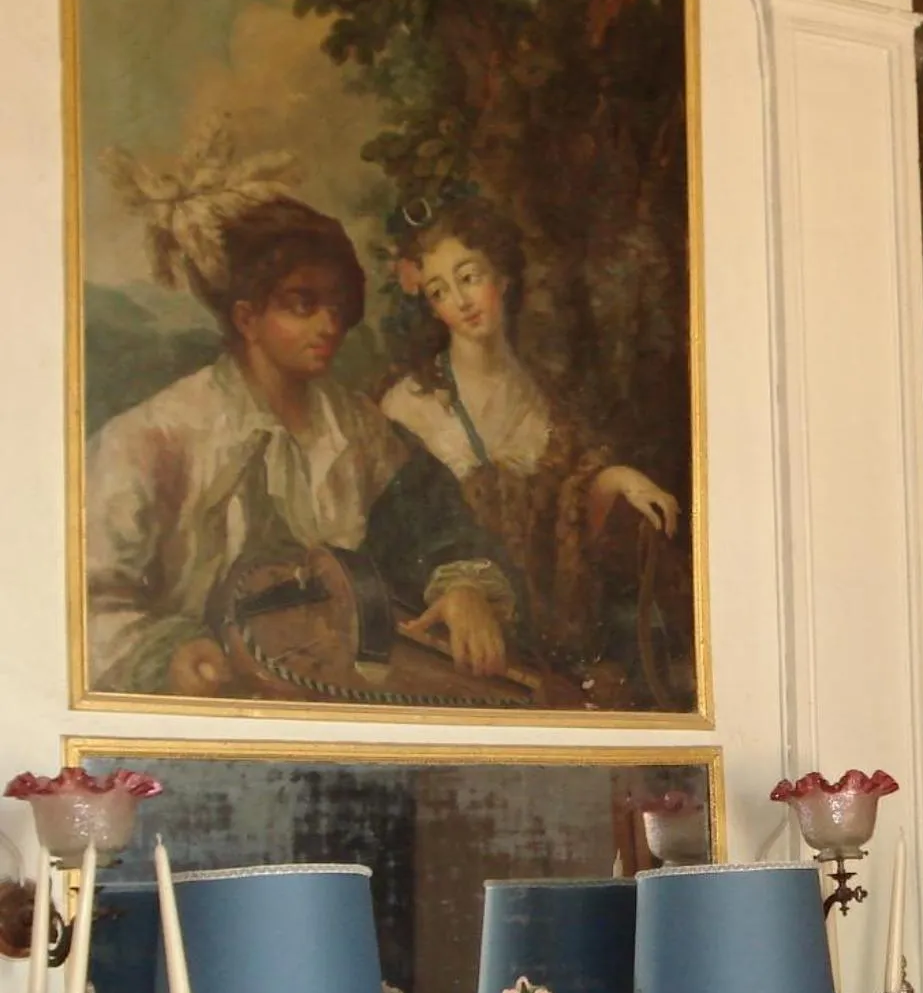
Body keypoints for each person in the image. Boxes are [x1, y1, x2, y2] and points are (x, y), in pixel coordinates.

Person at [88, 147, 515, 697]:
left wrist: (463, 588)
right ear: (247, 317)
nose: (328, 325)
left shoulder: (357, 428)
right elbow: (84, 599)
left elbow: (437, 523)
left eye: (337, 307)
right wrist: (165, 655)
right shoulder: (151, 438)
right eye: (301, 304)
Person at [381, 195, 679, 683]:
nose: (460, 300)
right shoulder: (408, 403)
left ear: (503, 277)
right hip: (454, 640)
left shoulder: (544, 396)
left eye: (470, 277)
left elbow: (572, 514)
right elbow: (399, 540)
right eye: (439, 290)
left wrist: (621, 478)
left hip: (545, 627)